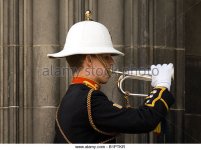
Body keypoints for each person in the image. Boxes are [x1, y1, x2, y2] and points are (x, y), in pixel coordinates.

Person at [47, 11, 175, 143]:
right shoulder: (90, 99)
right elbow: (144, 121)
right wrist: (162, 86)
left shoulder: (74, 96)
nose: (112, 62)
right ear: (89, 60)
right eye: (106, 57)